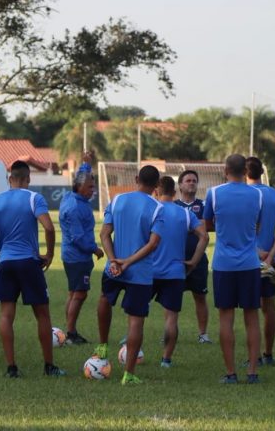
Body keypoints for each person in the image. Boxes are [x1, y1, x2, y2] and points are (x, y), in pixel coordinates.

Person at [0, 160, 65, 378]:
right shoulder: (34, 198)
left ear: (9, 179)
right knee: (42, 314)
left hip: (5, 263)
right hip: (28, 262)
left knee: (6, 315)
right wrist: (50, 254)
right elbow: (49, 228)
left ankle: (11, 368)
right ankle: (49, 366)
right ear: (28, 179)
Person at [95, 165, 163, 385]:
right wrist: (128, 262)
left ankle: (103, 344)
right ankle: (129, 374)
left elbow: (104, 233)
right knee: (135, 321)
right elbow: (153, 244)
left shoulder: (117, 200)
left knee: (105, 298)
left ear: (136, 179)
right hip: (139, 273)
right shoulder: (157, 207)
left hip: (113, 267)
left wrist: (114, 259)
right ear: (157, 185)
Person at [204, 154, 262, 384]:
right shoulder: (257, 194)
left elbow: (207, 224)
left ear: (225, 169)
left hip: (223, 264)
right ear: (246, 171)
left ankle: (230, 373)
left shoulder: (214, 193)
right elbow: (257, 225)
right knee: (252, 318)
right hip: (249, 263)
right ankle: (253, 371)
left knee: (226, 319)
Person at [152, 176, 208, 367]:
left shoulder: (151, 209)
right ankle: (166, 360)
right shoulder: (185, 213)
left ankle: (133, 349)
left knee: (137, 314)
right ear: (174, 192)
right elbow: (205, 237)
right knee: (172, 317)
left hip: (149, 270)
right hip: (175, 271)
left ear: (156, 191)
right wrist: (193, 261)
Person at [246, 157, 275, 366]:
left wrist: (256, 251)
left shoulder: (243, 195)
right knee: (269, 306)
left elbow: (242, 228)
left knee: (250, 308)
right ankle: (268, 354)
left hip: (247, 259)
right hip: (269, 260)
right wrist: (271, 255)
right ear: (262, 172)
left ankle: (252, 357)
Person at [58, 166, 103, 345]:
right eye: (90, 187)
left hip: (71, 255)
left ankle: (69, 330)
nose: (93, 190)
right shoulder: (75, 207)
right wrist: (95, 249)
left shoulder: (70, 197)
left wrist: (86, 165)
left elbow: (80, 176)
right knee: (80, 294)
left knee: (73, 293)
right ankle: (71, 333)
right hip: (78, 257)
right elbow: (78, 237)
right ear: (79, 187)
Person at [175, 170, 212, 343]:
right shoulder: (173, 206)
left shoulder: (204, 205)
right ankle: (170, 332)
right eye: (188, 180)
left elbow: (204, 230)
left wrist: (185, 227)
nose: (191, 183)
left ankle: (203, 334)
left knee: (200, 296)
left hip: (198, 261)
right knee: (172, 297)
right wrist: (194, 226)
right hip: (176, 260)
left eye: (194, 181)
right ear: (180, 185)